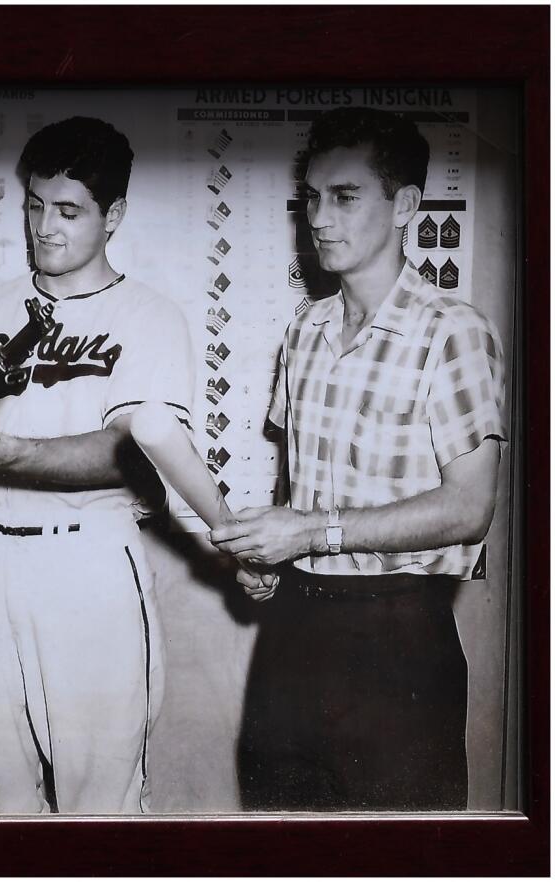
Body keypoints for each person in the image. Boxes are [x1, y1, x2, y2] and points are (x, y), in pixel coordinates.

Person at [0, 118, 192, 813]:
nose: (44, 227)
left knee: (100, 808)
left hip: (88, 566)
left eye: (68, 210)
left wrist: (6, 453)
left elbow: (131, 455)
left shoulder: (150, 317)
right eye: (34, 205)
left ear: (112, 215)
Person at [212, 107, 506, 811]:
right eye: (312, 197)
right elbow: (298, 489)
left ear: (406, 205)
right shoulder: (303, 331)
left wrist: (313, 532)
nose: (319, 216)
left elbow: (470, 507)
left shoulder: (453, 332)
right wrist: (269, 556)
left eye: (345, 197)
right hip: (292, 630)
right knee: (281, 840)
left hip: (400, 636)